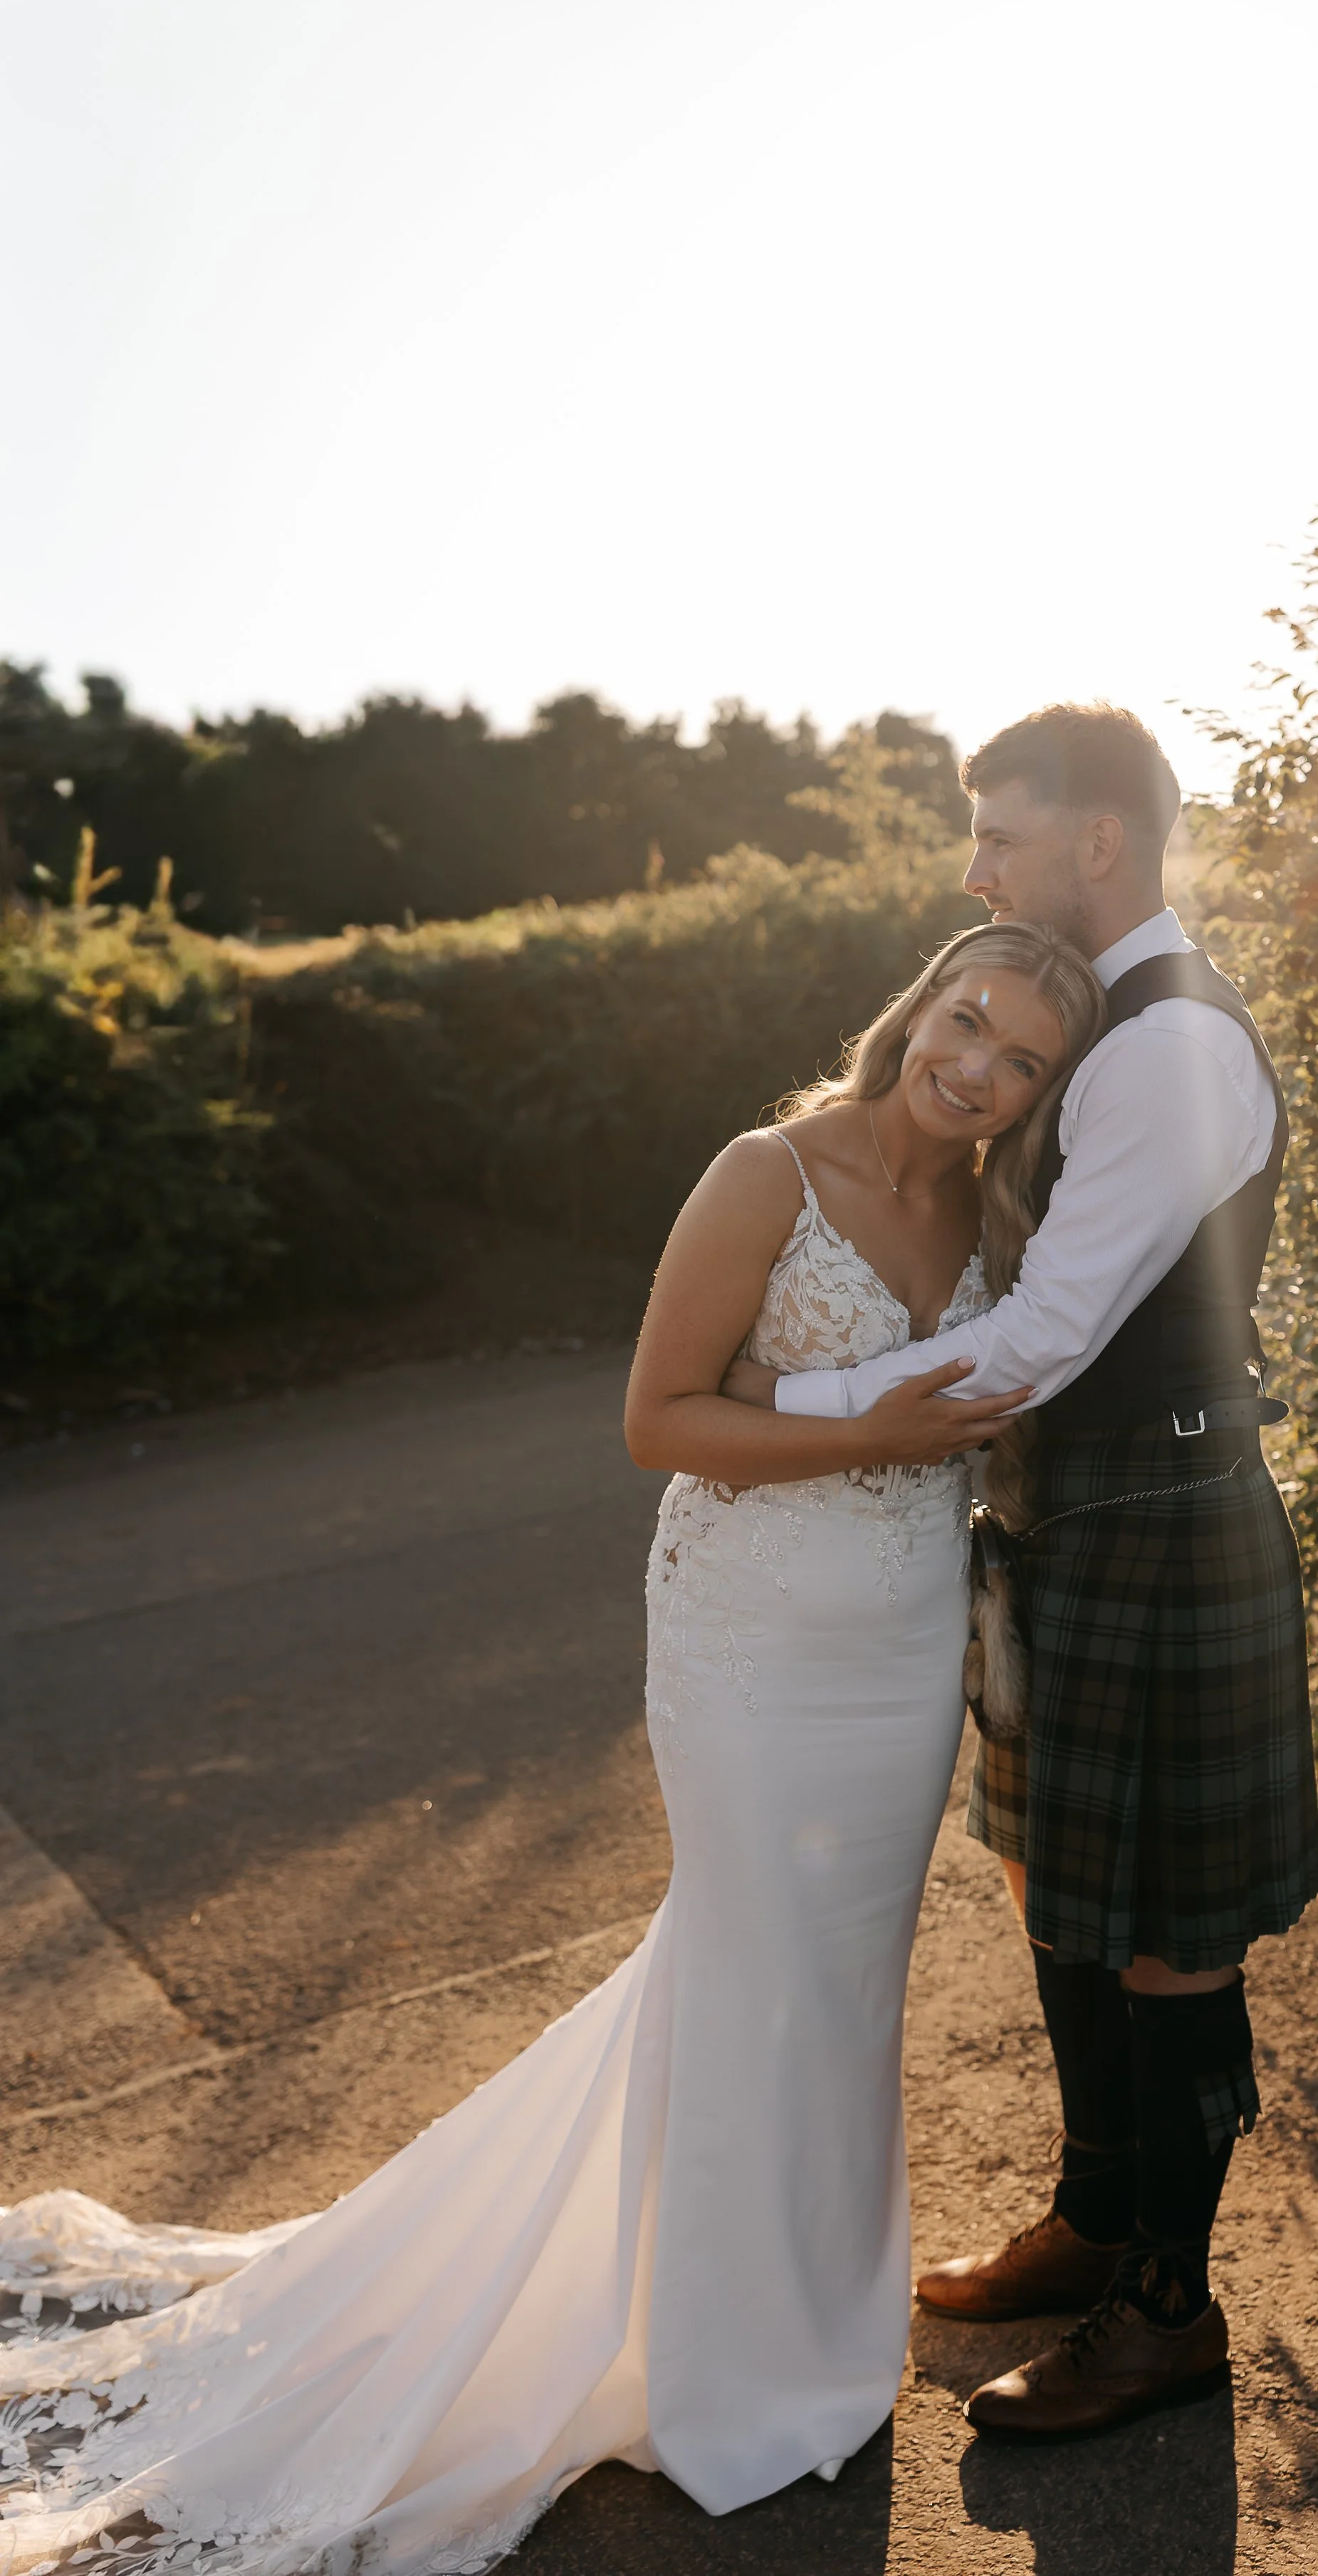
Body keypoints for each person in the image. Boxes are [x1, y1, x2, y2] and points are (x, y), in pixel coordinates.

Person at [0, 919, 1102, 2566]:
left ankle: (812, 2328)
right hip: (741, 1642)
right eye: (967, 1023)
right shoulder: (763, 1173)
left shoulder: (996, 1205)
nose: (978, 1072)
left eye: (1021, 1060)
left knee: (839, 1982)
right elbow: (657, 1419)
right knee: (750, 1965)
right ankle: (725, 2376)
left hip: (892, 1646)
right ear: (915, 1006)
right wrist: (870, 1423)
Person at [732, 703, 1318, 2440]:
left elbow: (1043, 1341)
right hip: (1079, 1523)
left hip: (1160, 1515)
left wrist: (783, 1403)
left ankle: (1167, 2305)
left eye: (996, 834)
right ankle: (1096, 2215)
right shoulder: (1101, 1033)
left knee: (1168, 1940)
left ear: (1099, 848)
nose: (971, 870)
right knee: (1062, 1890)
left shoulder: (1165, 1049)